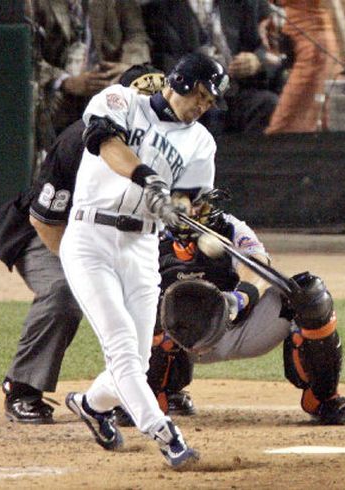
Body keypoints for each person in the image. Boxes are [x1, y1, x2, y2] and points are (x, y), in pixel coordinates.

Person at [57, 52, 229, 467]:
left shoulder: (202, 142)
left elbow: (190, 197)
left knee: (138, 358)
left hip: (141, 248)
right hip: (89, 238)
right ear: (180, 83)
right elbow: (106, 144)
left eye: (210, 101)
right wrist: (147, 178)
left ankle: (91, 405)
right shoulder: (120, 101)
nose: (203, 106)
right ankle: (167, 436)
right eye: (201, 96)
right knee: (120, 348)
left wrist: (182, 209)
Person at [0, 64, 165, 425]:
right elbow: (45, 218)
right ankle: (22, 387)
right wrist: (88, 271)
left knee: (155, 284)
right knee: (65, 290)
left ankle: (142, 389)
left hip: (117, 235)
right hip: (46, 229)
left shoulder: (168, 144)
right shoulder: (80, 140)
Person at [135, 189, 345, 426]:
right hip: (182, 339)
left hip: (239, 328)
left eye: (200, 204)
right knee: (142, 309)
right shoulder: (147, 234)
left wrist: (238, 299)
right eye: (187, 203)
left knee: (310, 295)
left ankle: (322, 398)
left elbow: (260, 266)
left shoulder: (229, 227)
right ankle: (150, 396)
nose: (196, 210)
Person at [29, 0, 150, 174]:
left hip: (109, 86)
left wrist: (128, 70)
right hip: (54, 93)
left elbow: (137, 37)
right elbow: (28, 55)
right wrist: (65, 81)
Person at [140, 0, 286, 134]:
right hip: (194, 93)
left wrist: (257, 61)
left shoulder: (245, 3)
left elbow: (270, 47)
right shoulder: (161, 8)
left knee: (267, 103)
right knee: (206, 112)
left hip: (238, 90)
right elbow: (167, 60)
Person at [265, 0, 345, 134]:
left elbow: (334, 6)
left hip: (316, 52)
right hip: (304, 49)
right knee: (305, 124)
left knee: (284, 126)